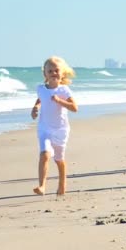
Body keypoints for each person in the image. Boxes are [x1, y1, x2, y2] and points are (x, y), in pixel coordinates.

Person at [30, 56, 78, 196]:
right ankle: (42, 186)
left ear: (62, 73)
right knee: (44, 154)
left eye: (56, 70)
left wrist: (59, 101)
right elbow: (41, 99)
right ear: (45, 74)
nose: (53, 73)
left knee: (59, 159)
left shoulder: (64, 90)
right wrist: (35, 108)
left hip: (61, 129)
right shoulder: (41, 88)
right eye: (50, 71)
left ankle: (62, 183)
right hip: (44, 128)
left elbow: (74, 108)